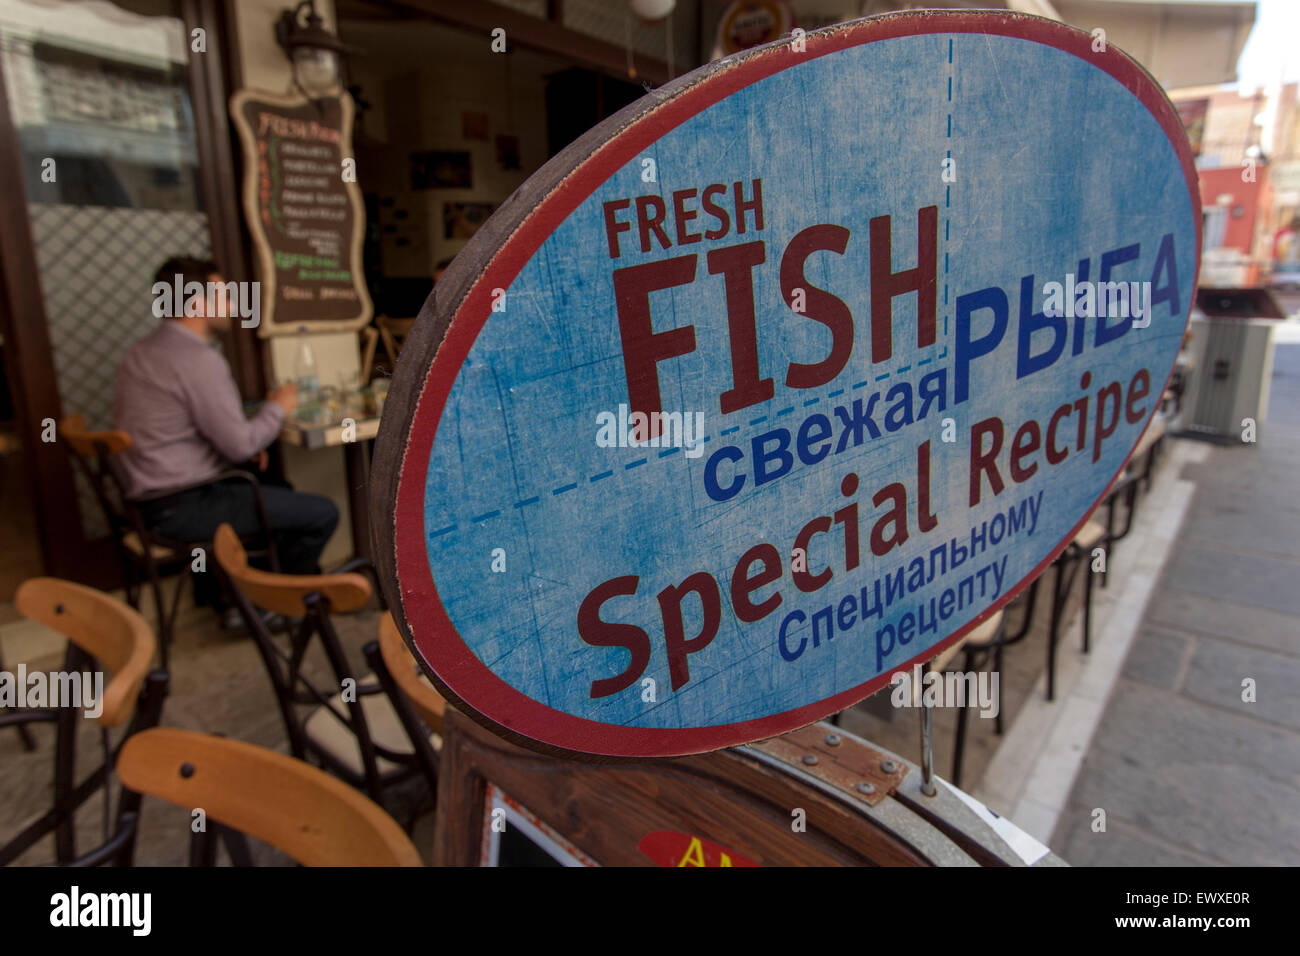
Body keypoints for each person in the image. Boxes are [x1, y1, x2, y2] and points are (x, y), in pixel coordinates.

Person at [114, 256, 339, 626]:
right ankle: (276, 607)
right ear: (197, 303)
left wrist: (248, 444)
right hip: (184, 505)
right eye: (225, 295)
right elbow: (239, 445)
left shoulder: (142, 352)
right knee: (321, 514)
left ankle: (227, 596)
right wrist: (277, 407)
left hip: (148, 500)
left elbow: (185, 431)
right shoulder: (198, 360)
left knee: (276, 485)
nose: (234, 305)